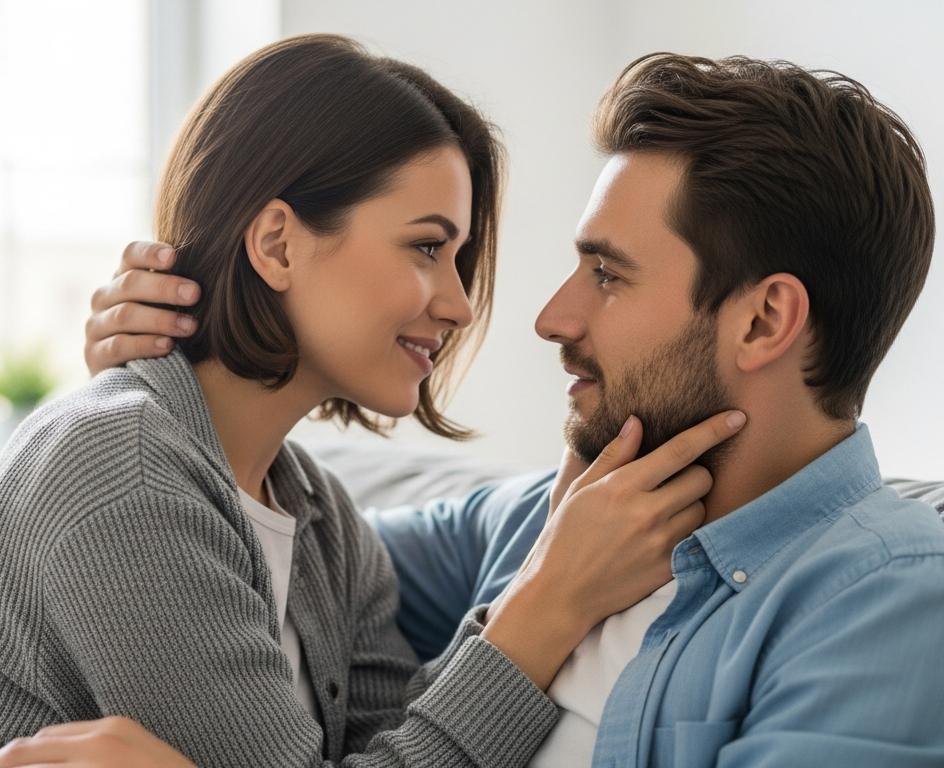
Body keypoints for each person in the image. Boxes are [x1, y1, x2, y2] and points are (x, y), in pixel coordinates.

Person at [0, 36, 738, 768]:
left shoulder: (322, 525)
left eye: (464, 259)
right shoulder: (116, 468)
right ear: (277, 238)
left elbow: (394, 749)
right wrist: (540, 615)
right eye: (426, 247)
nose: (457, 300)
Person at [68, 52, 944, 766]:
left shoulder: (888, 600)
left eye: (608, 274)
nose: (550, 317)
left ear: (763, 320)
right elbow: (222, 557)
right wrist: (167, 383)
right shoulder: (538, 521)